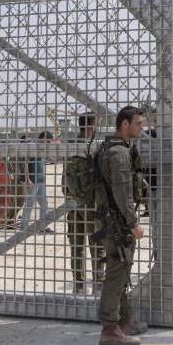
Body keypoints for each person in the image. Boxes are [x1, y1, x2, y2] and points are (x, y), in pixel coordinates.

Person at [94, 106, 149, 345]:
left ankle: (125, 320)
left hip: (109, 220)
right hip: (117, 222)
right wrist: (133, 223)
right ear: (124, 125)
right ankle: (110, 329)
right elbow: (122, 193)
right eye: (138, 123)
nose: (141, 128)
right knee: (117, 272)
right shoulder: (118, 154)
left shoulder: (108, 148)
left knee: (121, 269)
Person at [68, 113, 103, 294]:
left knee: (78, 247)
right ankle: (96, 284)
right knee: (94, 245)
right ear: (90, 126)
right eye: (96, 124)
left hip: (73, 204)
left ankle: (80, 286)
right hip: (90, 205)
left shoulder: (71, 145)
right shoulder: (95, 147)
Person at [20, 131, 52, 232]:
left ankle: (42, 226)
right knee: (30, 203)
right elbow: (25, 162)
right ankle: (24, 227)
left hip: (40, 180)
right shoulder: (32, 146)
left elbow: (41, 162)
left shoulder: (41, 148)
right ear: (43, 138)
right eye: (47, 141)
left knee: (44, 204)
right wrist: (27, 179)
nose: (48, 144)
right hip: (32, 180)